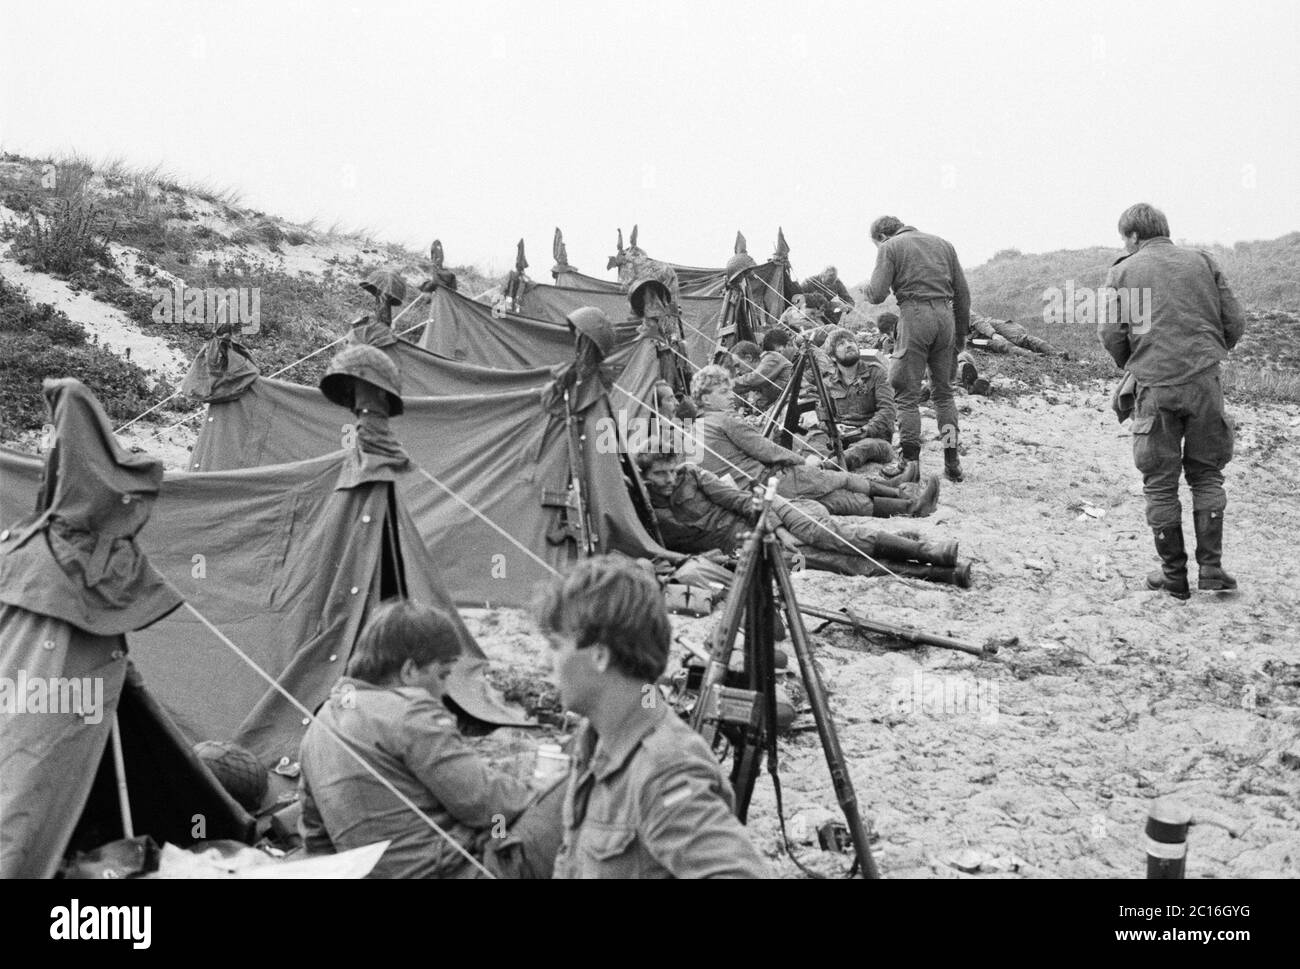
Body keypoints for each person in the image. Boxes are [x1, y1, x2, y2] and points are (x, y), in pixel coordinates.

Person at [536, 556, 771, 878]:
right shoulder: (597, 741)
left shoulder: (664, 771)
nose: (544, 662)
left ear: (600, 655)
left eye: (555, 645)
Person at [297, 601, 564, 878]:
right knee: (571, 788)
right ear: (409, 670)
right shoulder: (408, 710)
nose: (445, 691)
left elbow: (316, 840)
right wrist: (540, 788)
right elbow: (482, 802)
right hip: (461, 870)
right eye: (443, 675)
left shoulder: (319, 726)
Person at [1098, 203, 1246, 599]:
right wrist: (1207, 356)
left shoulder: (1123, 271)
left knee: (1160, 484)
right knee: (1207, 474)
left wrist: (1134, 364)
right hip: (1204, 383)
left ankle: (1174, 576)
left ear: (1132, 236)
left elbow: (1112, 333)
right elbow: (1235, 321)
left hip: (1154, 386)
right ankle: (1211, 568)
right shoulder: (1202, 261)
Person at [639, 452, 968, 586]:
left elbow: (742, 501)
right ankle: (940, 574)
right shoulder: (643, 511)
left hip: (773, 511)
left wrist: (778, 530)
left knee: (830, 534)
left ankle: (929, 552)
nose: (669, 479)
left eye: (671, 471)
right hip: (741, 546)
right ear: (643, 476)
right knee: (831, 562)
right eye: (660, 474)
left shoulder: (692, 476)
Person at [690, 365, 935, 517]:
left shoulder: (693, 431)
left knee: (838, 502)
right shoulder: (725, 420)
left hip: (750, 497)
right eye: (723, 393)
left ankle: (908, 506)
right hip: (772, 481)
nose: (731, 397)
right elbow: (765, 449)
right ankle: (899, 492)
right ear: (706, 399)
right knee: (841, 478)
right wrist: (803, 460)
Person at [862, 215, 971, 483]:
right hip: (946, 319)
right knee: (944, 397)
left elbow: (877, 294)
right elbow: (963, 295)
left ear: (881, 237)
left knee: (906, 396)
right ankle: (952, 461)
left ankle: (909, 463)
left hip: (914, 316)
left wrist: (866, 289)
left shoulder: (890, 247)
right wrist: (960, 338)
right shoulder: (944, 244)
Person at [799, 327, 896, 470]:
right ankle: (813, 466)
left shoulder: (876, 372)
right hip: (841, 436)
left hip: (875, 438)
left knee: (864, 447)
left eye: (851, 341)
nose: (848, 345)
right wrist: (835, 427)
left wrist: (862, 431)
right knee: (813, 438)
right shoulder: (828, 382)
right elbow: (824, 417)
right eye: (841, 344)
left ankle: (826, 467)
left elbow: (887, 411)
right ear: (832, 357)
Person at [733, 329, 793, 410]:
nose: (737, 371)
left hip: (803, 403)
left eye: (737, 365)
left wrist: (724, 384)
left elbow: (753, 379)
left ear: (749, 358)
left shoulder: (772, 358)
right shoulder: (761, 378)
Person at [968, 312, 1066, 358]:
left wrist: (993, 334)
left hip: (987, 324)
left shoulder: (958, 304)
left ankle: (1055, 353)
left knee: (1019, 338)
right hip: (972, 339)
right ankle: (1034, 357)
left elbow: (977, 320)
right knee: (1002, 345)